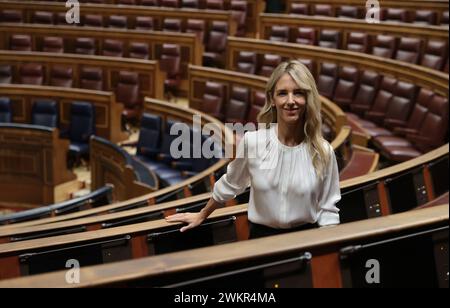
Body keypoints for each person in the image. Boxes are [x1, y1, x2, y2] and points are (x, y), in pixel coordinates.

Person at [166, 60, 341, 239]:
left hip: (304, 240)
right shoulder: (253, 142)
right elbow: (230, 184)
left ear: (307, 98)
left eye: (298, 93)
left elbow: (328, 211)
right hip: (260, 239)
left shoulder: (323, 151)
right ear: (272, 100)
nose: (290, 101)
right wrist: (202, 214)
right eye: (282, 93)